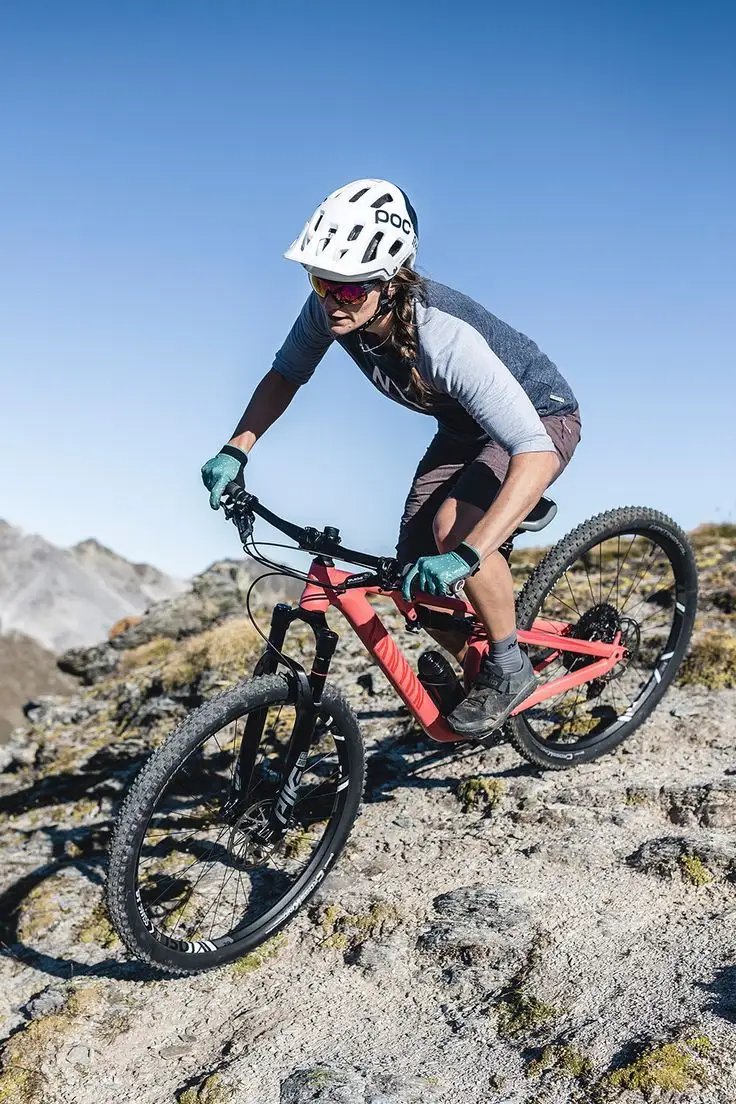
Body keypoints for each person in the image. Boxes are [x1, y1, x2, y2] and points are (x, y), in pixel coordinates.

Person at [201, 178, 581, 738]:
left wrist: (467, 553)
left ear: (389, 281)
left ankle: (508, 667)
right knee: (413, 576)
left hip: (539, 421)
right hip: (464, 428)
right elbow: (285, 374)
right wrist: (236, 449)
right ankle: (481, 667)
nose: (332, 301)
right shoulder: (330, 310)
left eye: (349, 289)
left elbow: (534, 454)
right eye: (320, 282)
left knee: (453, 532)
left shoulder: (443, 337)